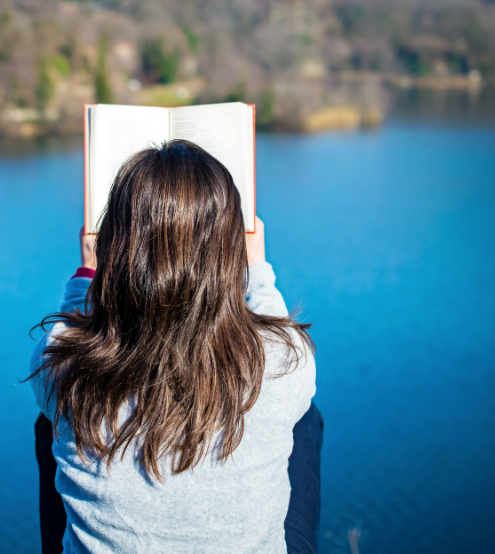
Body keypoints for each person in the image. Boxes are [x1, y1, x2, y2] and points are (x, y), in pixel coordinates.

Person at [28, 140, 321, 553]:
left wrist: (86, 275)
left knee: (53, 419)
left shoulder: (63, 365)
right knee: (304, 417)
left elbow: (70, 334)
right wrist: (257, 269)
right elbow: (274, 333)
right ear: (227, 251)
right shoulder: (285, 361)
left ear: (117, 245)